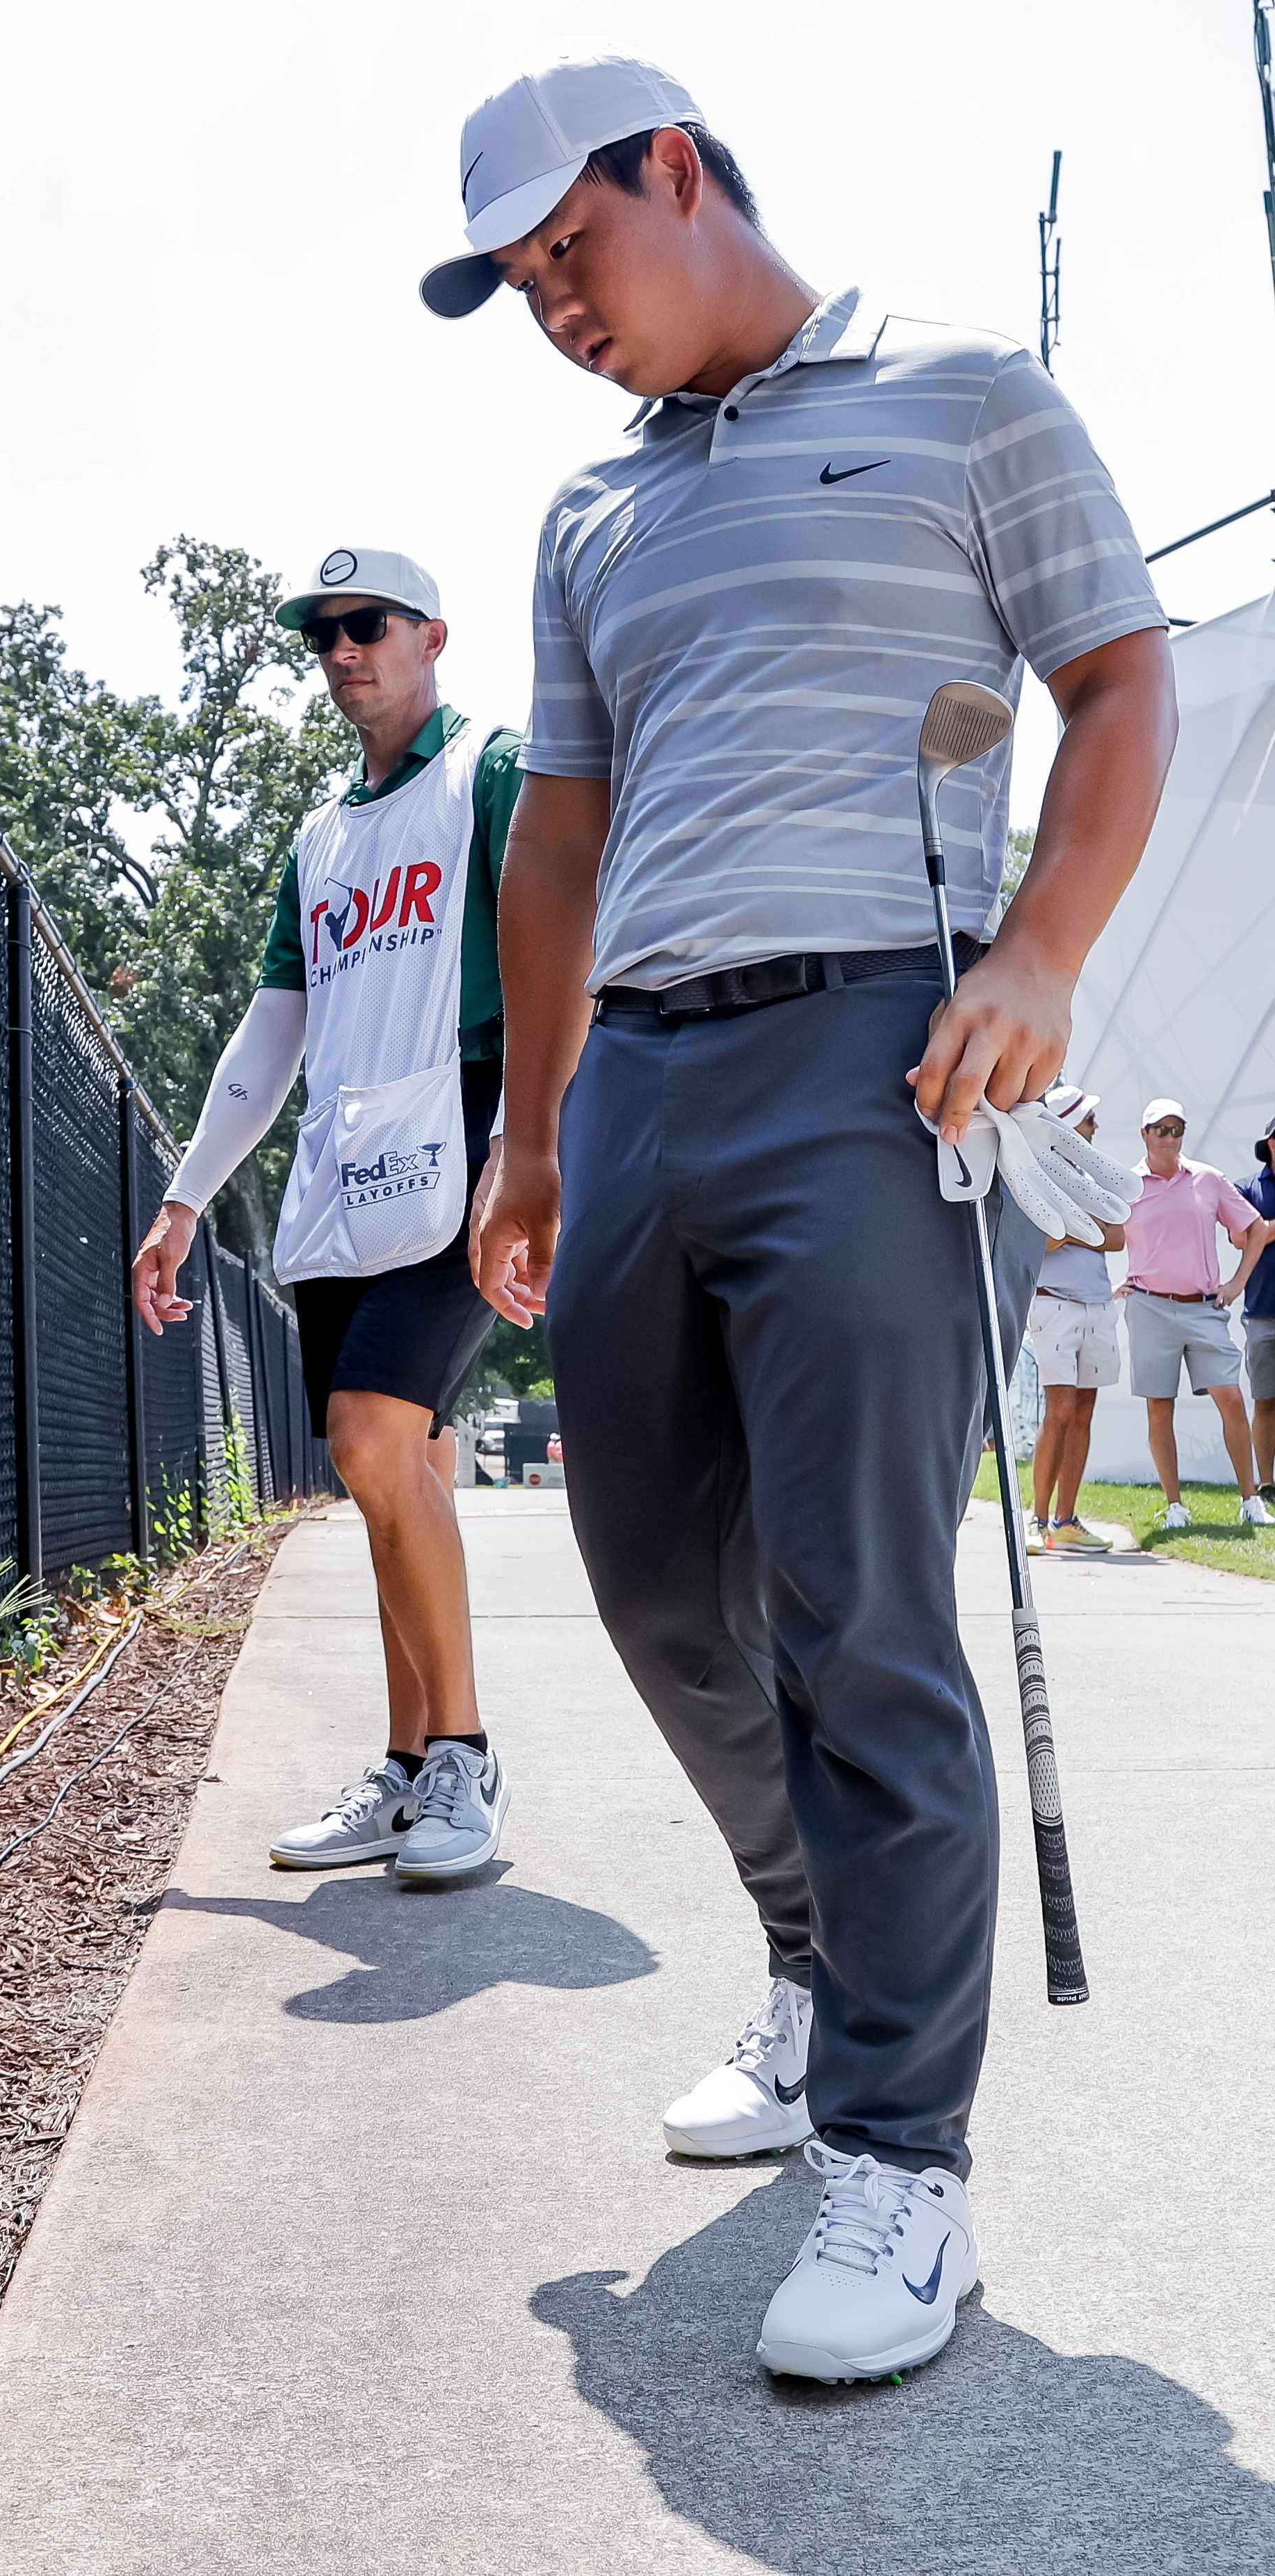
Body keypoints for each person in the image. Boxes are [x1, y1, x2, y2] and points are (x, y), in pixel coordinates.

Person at [432, 51, 1178, 2382]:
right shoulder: (586, 512)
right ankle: (807, 1952)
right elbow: (554, 841)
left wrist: (1042, 948)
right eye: (518, 286)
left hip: (876, 1049)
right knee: (655, 1580)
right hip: (639, 1067)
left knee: (861, 1602)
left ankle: (899, 2156)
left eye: (571, 252)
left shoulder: (960, 397)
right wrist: (533, 1133)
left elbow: (1120, 679)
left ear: (677, 172)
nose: (554, 306)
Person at [131, 545, 517, 1883]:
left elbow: (560, 949)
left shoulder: (492, 772)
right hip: (347, 1162)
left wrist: (531, 1145)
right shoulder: (319, 837)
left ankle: (464, 1757)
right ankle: (408, 1769)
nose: (342, 650)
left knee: (366, 1440)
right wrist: (183, 1198)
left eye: (366, 625)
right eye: (323, 635)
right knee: (388, 1472)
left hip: (468, 1128)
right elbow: (272, 1026)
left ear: (430, 635)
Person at [1120, 1097, 1272, 1528]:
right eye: (1161, 1130)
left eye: (1177, 1130)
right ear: (1145, 1134)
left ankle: (1250, 1500)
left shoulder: (1208, 1179)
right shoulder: (1127, 1184)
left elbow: (1255, 1229)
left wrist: (1237, 1283)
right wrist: (1112, 1284)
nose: (1170, 1138)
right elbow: (1103, 1233)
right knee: (1159, 1407)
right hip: (1149, 1305)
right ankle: (1175, 1507)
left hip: (1204, 1307)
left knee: (1232, 1397)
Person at [1023, 1085, 1126, 1555]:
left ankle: (1065, 1521)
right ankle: (1036, 1520)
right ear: (1066, 1124)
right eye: (1087, 1120)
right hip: (1054, 1305)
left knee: (1083, 1413)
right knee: (1060, 1410)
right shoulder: (1034, 1170)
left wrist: (1069, 1226)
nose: (1094, 1128)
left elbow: (1117, 1236)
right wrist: (1086, 1227)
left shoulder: (1094, 1175)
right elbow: (1044, 1243)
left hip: (1097, 1305)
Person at [1246, 1116, 1275, 1504]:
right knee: (1265, 1400)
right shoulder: (1248, 1188)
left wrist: (1265, 1229)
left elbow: (1261, 1231)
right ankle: (1267, 1485)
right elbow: (1244, 1236)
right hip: (1262, 1312)